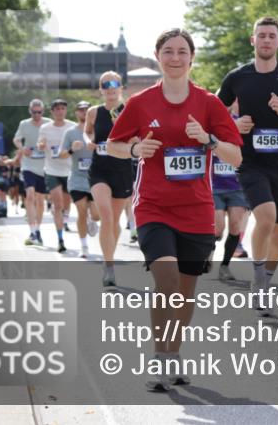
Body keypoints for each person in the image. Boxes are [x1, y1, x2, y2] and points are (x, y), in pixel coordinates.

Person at [106, 28, 242, 392]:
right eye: (169, 51)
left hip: (196, 210)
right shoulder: (140, 102)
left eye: (183, 51)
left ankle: (173, 355)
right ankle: (160, 360)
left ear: (191, 58)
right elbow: (113, 145)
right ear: (158, 56)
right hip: (153, 207)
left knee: (185, 290)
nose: (176, 58)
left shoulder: (209, 103)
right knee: (165, 283)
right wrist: (135, 151)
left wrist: (209, 140)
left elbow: (236, 154)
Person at [216, 17, 278, 313]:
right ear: (253, 40)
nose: (267, 40)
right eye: (262, 36)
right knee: (266, 216)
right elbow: (216, 117)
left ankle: (266, 280)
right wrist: (235, 124)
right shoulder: (237, 77)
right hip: (251, 163)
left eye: (272, 36)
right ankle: (258, 281)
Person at [85, 72, 137, 286]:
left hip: (122, 170)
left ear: (121, 87)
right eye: (106, 84)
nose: (110, 88)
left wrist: (131, 139)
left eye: (114, 84)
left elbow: (138, 137)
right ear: (101, 89)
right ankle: (109, 267)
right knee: (106, 217)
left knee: (114, 221)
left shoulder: (130, 110)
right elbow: (87, 132)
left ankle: (110, 256)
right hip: (99, 169)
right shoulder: (93, 112)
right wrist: (88, 141)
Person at [212, 107, 251, 281]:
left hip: (237, 186)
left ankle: (225, 266)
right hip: (215, 186)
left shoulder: (247, 121)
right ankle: (208, 253)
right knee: (217, 229)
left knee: (236, 226)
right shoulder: (214, 120)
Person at [61, 101, 102, 258]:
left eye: (87, 109)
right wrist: (72, 149)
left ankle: (93, 220)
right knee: (81, 211)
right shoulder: (70, 133)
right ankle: (84, 246)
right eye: (81, 110)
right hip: (77, 179)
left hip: (96, 178)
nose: (84, 112)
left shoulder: (100, 130)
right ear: (76, 112)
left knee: (97, 215)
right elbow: (61, 154)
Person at [38, 99, 76, 253]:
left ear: (66, 111)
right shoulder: (45, 128)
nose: (60, 111)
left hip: (69, 170)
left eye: (63, 108)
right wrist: (41, 145)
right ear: (52, 112)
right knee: (58, 205)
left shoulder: (72, 126)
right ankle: (60, 239)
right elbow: (40, 142)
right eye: (57, 109)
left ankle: (65, 220)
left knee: (67, 205)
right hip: (52, 170)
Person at [13, 100, 48, 245]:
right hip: (28, 165)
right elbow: (16, 139)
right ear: (30, 111)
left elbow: (57, 140)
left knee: (40, 200)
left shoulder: (48, 123)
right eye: (34, 112)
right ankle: (32, 230)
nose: (37, 115)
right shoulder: (24, 124)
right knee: (30, 195)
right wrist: (22, 149)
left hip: (44, 166)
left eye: (39, 112)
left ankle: (37, 230)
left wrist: (46, 146)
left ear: (43, 112)